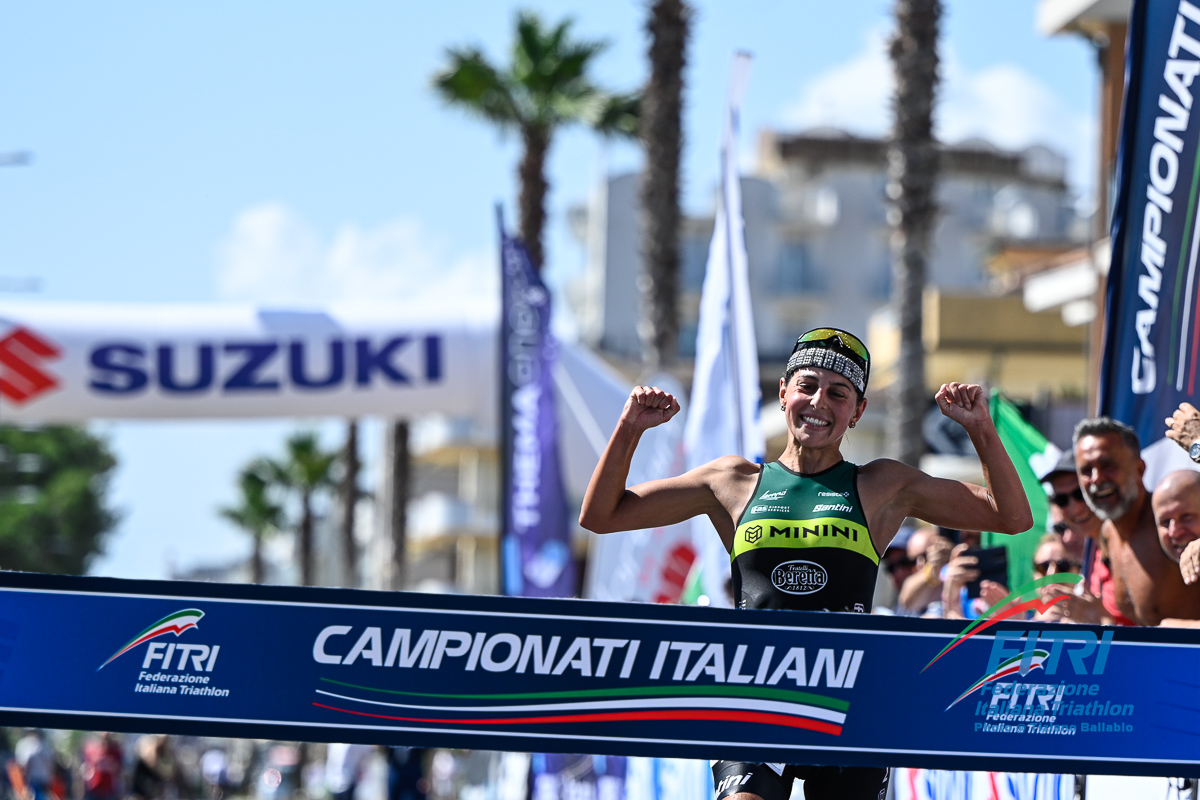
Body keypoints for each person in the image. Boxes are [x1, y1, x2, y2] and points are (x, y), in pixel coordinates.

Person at [579, 327, 1032, 800]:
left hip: (849, 696)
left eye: (838, 394)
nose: (818, 402)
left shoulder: (882, 485)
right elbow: (602, 515)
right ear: (783, 392)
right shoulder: (731, 481)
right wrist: (630, 426)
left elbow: (1012, 516)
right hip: (756, 689)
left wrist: (980, 427)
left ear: (857, 412)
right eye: (807, 385)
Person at [1073, 418, 1200, 625]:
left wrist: (1198, 444)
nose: (1096, 478)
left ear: (1139, 469)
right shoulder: (1107, 534)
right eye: (1086, 470)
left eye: (1108, 466)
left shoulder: (1175, 527)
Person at [1039, 451, 1131, 625]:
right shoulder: (1092, 550)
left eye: (1080, 494)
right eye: (1061, 499)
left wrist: (1103, 622)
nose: (1074, 508)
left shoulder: (1132, 548)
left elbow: (1158, 635)